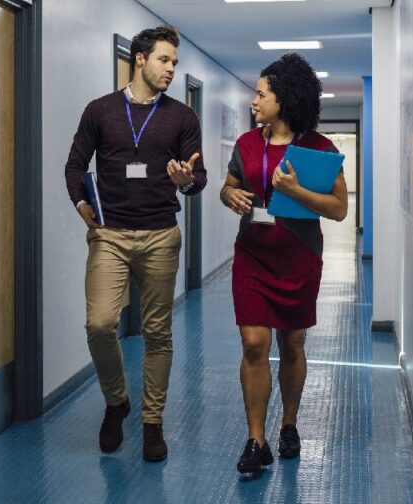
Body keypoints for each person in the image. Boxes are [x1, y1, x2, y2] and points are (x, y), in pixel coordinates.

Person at [64, 25, 206, 462]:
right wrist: (81, 203)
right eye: (164, 60)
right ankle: (116, 402)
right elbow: (74, 165)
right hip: (109, 236)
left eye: (175, 63)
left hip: (161, 235)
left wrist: (186, 182)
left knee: (157, 333)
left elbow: (198, 178)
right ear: (139, 59)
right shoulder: (100, 111)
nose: (171, 69)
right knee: (101, 324)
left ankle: (151, 422)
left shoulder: (182, 116)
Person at [220, 53, 348, 474]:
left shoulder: (319, 149)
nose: (254, 100)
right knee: (254, 344)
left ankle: (288, 425)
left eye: (261, 94)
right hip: (253, 254)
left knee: (291, 345)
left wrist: (296, 191)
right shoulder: (245, 144)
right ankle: (256, 440)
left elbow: (339, 209)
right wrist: (230, 196)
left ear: (284, 99)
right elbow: (229, 186)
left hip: (298, 256)